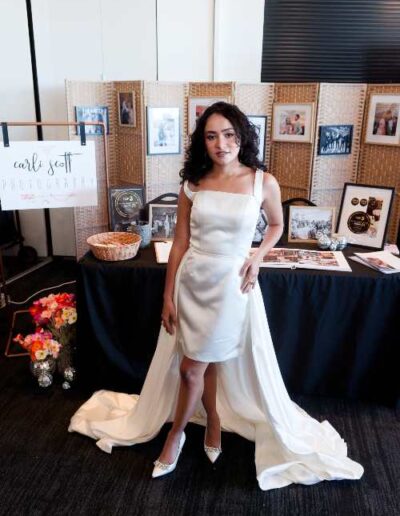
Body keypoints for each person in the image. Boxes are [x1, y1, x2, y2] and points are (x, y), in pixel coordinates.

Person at [69, 102, 363, 491]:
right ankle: (214, 420)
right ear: (202, 142)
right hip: (192, 281)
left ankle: (176, 435)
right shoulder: (193, 184)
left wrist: (257, 257)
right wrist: (168, 296)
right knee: (204, 361)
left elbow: (276, 225)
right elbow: (179, 244)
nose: (221, 144)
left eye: (228, 135)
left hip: (232, 286)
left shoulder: (263, 182)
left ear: (242, 137)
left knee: (192, 368)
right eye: (211, 136)